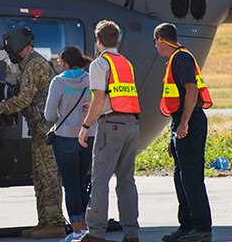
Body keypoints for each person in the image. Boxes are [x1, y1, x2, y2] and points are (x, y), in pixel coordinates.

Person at [0, 26, 66, 239]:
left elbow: (24, 99)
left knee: (48, 176)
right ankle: (44, 222)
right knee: (39, 177)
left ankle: (55, 222)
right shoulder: (30, 65)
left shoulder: (34, 65)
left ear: (17, 48)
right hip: (39, 130)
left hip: (45, 131)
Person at [76, 20, 140, 242]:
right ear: (117, 40)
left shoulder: (99, 64)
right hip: (131, 124)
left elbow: (99, 97)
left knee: (100, 179)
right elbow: (117, 95)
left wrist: (85, 126)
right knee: (126, 180)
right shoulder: (125, 63)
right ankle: (131, 233)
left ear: (98, 40)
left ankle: (95, 233)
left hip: (111, 125)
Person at [153, 23, 212, 242]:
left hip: (191, 121)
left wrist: (185, 123)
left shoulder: (181, 58)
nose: (155, 47)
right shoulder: (175, 60)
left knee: (191, 177)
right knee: (181, 176)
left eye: (155, 43)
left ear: (160, 39)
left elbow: (191, 90)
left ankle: (202, 227)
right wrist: (173, 134)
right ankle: (186, 226)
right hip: (180, 121)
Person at [44, 46, 95, 242]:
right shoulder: (91, 79)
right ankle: (86, 226)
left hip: (65, 138)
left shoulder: (58, 82)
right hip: (88, 136)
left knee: (71, 185)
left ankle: (76, 231)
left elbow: (49, 115)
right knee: (82, 182)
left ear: (64, 63)